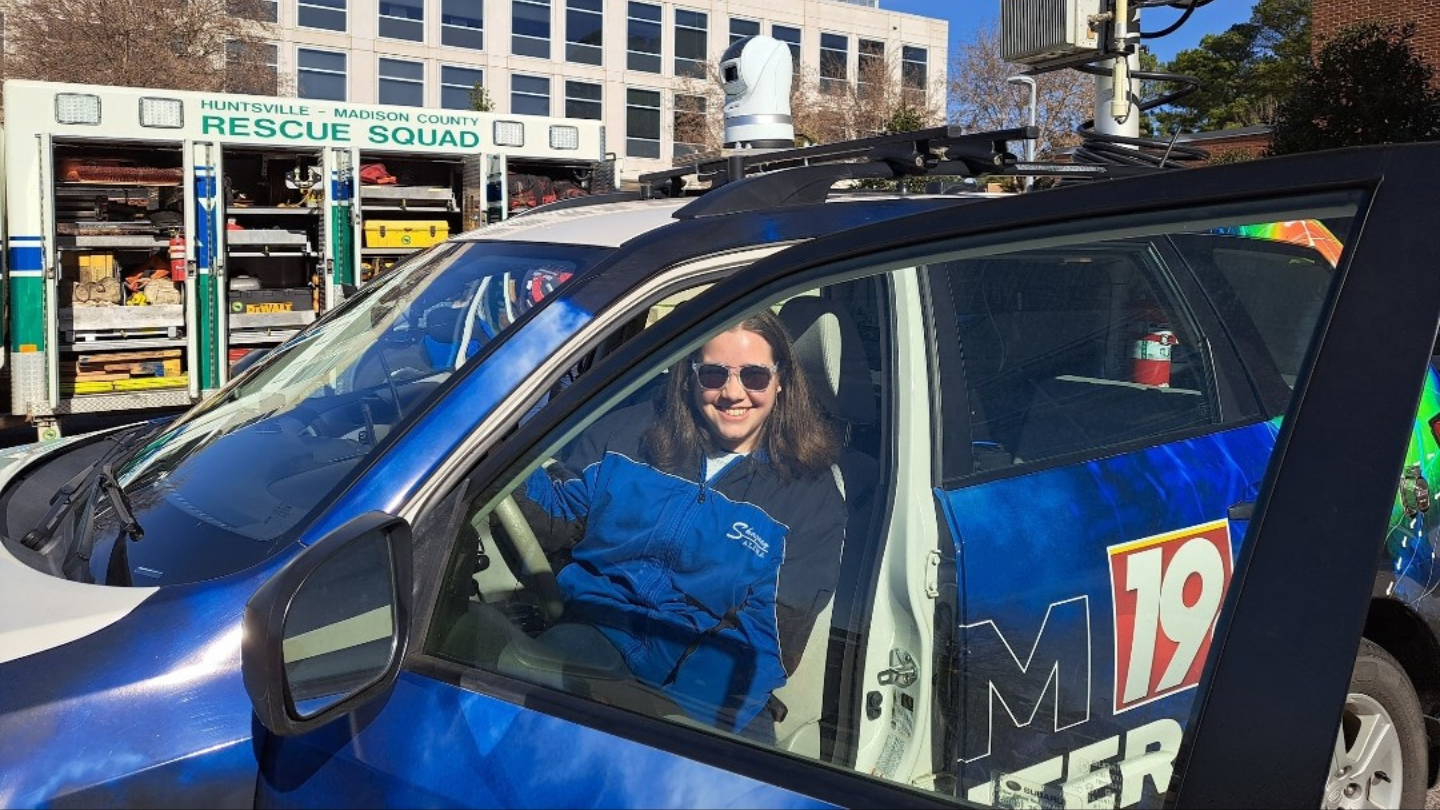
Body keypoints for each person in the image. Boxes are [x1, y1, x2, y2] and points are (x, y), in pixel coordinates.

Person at [518, 309, 845, 739]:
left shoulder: (812, 497)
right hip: (594, 642)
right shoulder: (628, 435)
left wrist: (649, 707)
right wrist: (494, 449)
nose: (732, 393)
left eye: (754, 376)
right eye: (713, 374)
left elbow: (771, 644)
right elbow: (556, 511)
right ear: (688, 376)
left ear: (781, 380)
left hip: (708, 697)